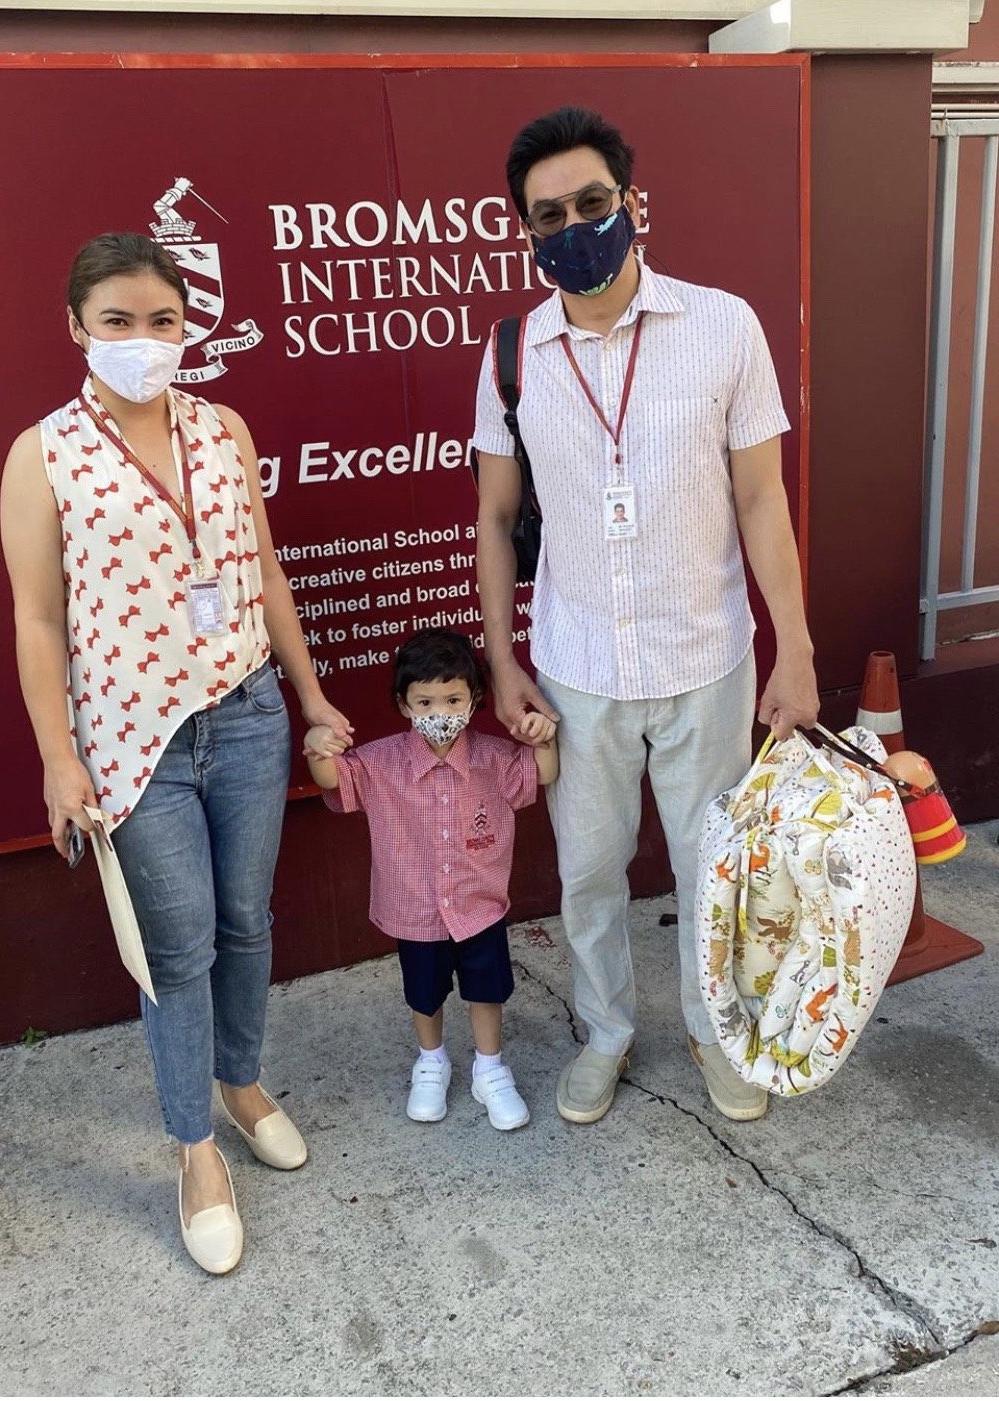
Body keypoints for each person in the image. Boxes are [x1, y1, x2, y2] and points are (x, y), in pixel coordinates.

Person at [0, 232, 351, 1275]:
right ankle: (195, 1149)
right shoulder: (42, 455)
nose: (143, 339)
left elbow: (266, 572)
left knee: (246, 921)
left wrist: (310, 695)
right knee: (176, 947)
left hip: (245, 715)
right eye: (118, 320)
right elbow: (37, 620)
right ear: (76, 327)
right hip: (133, 739)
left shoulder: (222, 427)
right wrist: (58, 758)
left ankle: (239, 1084)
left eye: (162, 320)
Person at [473, 107, 818, 1127]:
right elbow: (494, 518)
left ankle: (715, 1032)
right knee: (589, 876)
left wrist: (795, 649)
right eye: (549, 215)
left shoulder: (723, 327)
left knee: (715, 872)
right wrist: (503, 663)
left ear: (630, 201)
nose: (574, 226)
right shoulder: (513, 356)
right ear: (526, 231)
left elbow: (762, 499)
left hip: (706, 658)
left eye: (592, 202)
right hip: (577, 668)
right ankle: (606, 1032)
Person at [304, 629, 558, 1130]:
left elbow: (542, 774)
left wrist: (542, 738)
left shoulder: (494, 758)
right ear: (404, 705)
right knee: (424, 991)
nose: (439, 711)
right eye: (425, 701)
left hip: (479, 905)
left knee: (487, 988)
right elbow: (335, 780)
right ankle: (431, 1060)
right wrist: (317, 748)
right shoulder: (379, 762)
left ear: (475, 699)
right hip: (414, 908)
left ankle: (490, 1067)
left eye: (453, 699)